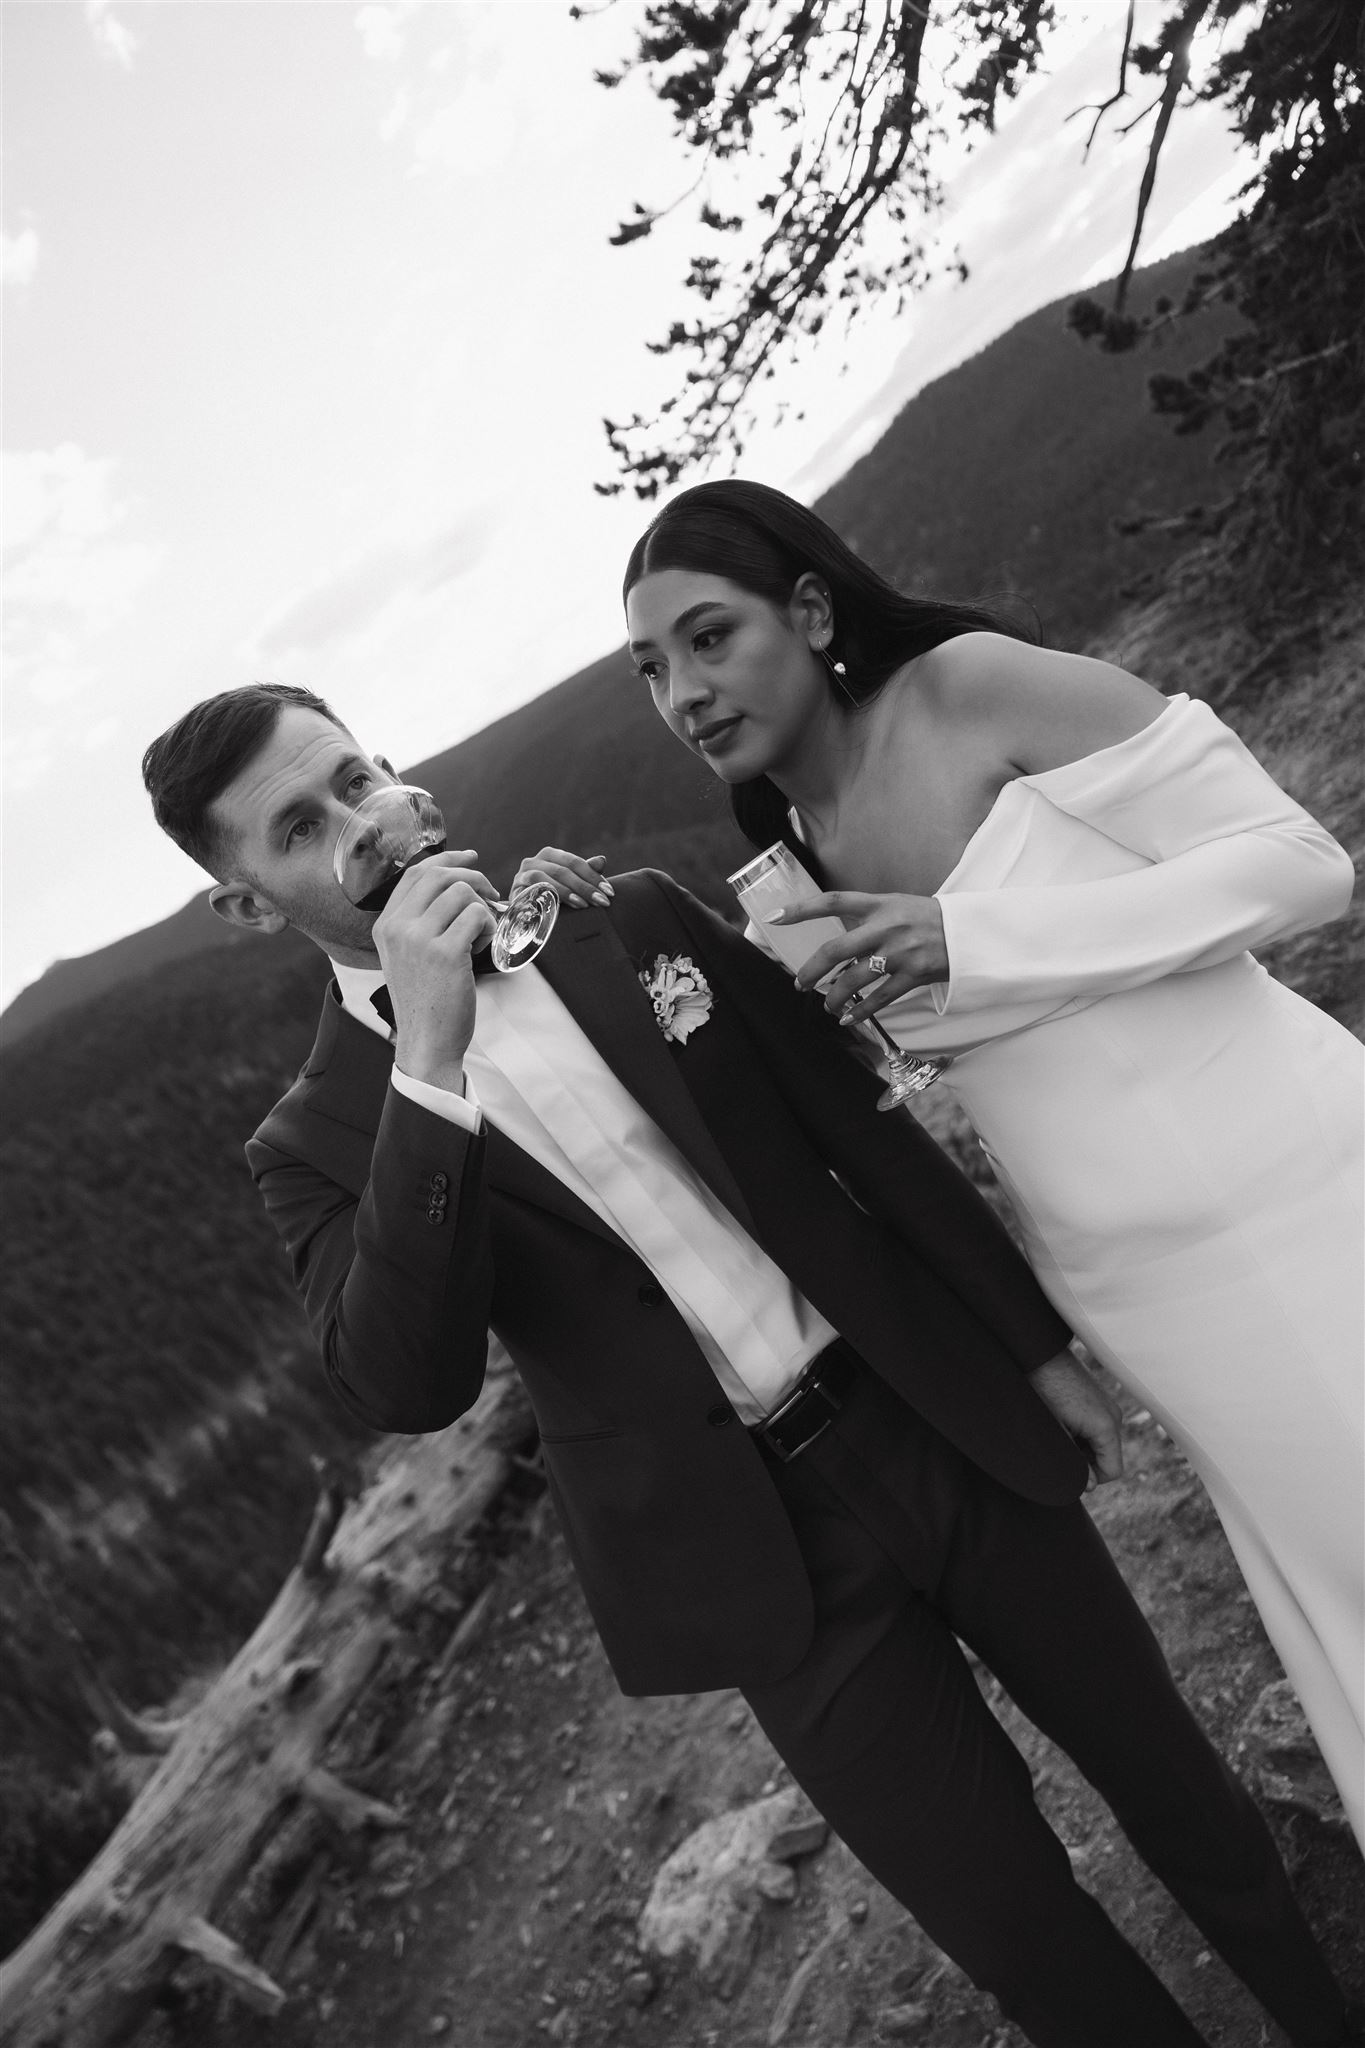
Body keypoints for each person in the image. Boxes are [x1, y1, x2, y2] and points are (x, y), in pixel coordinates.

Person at [140, 681, 1362, 2048]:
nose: (354, 825)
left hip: (928, 1417)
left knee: (1182, 1797)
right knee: (1013, 1928)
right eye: (299, 828)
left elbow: (861, 1132)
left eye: (355, 779)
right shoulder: (308, 1141)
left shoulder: (630, 919)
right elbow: (402, 1385)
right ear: (247, 905)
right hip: (751, 1555)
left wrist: (1032, 1350)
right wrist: (428, 1054)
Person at [622, 477, 1365, 1854]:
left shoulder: (967, 688)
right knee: (1328, 1581)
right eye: (651, 669)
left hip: (1297, 1190)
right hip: (1139, 1295)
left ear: (807, 608)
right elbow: (918, 1088)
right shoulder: (792, 861)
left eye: (708, 638)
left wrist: (975, 943)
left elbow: (1299, 865)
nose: (683, 692)